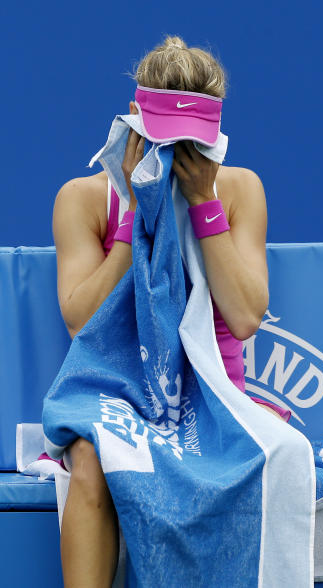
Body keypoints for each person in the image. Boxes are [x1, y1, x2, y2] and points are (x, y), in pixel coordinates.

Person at [52, 34, 285, 588]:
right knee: (89, 458)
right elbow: (81, 322)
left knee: (275, 459)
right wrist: (134, 214)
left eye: (193, 142)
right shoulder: (81, 199)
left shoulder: (238, 190)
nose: (180, 154)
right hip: (117, 392)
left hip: (212, 398)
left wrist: (204, 204)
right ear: (134, 119)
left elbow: (247, 316)